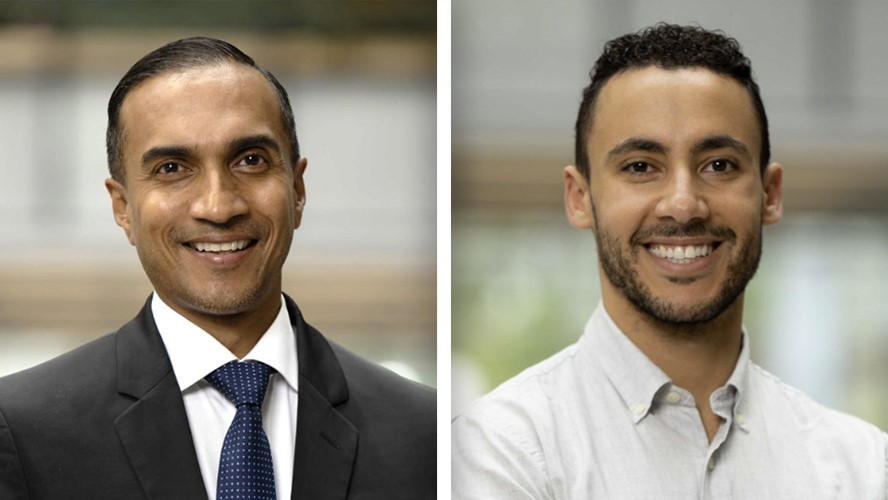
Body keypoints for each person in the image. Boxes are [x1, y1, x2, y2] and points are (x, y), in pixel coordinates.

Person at [452, 24, 887, 498]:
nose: (683, 204)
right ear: (580, 199)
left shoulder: (863, 466)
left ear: (770, 194)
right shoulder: (497, 451)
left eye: (718, 165)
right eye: (641, 167)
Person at [0, 37, 435, 500]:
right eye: (172, 168)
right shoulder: (20, 428)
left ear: (298, 189)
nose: (218, 205)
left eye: (250, 160)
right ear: (123, 207)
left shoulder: (425, 434)